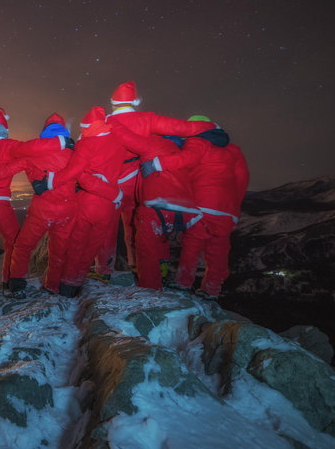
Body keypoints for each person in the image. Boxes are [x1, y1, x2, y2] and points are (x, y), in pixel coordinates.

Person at [96, 81, 219, 275]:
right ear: (136, 101)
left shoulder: (103, 121)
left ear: (113, 102)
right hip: (139, 177)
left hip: (109, 180)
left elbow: (86, 147)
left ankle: (104, 269)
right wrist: (211, 127)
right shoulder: (147, 119)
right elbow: (183, 128)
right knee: (140, 223)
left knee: (107, 226)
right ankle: (145, 263)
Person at [0, 113, 99, 296]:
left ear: (44, 134)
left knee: (23, 247)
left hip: (41, 211)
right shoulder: (74, 155)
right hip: (67, 211)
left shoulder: (32, 155)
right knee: (58, 251)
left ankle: (17, 285)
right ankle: (53, 286)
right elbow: (87, 179)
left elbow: (6, 169)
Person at [138, 115, 249, 299]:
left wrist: (157, 164)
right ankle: (212, 289)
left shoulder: (198, 142)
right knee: (218, 249)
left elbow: (186, 159)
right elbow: (242, 178)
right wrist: (235, 207)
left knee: (192, 243)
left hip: (204, 204)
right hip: (228, 210)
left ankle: (183, 282)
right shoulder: (233, 150)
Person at [0, 107, 67, 296]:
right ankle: (7, 282)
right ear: (5, 130)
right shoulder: (8, 146)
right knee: (13, 241)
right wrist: (60, 142)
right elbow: (33, 148)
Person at [44, 106, 128, 297]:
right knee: (93, 245)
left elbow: (77, 174)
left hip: (87, 202)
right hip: (108, 206)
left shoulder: (85, 145)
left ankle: (67, 283)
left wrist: (51, 181)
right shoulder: (118, 143)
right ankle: (78, 279)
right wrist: (113, 193)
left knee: (77, 243)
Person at [109, 121, 202, 290]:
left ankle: (150, 287)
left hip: (156, 203)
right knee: (161, 239)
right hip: (183, 209)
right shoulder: (181, 154)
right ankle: (163, 271)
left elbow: (127, 138)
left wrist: (112, 122)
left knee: (146, 246)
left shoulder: (155, 144)